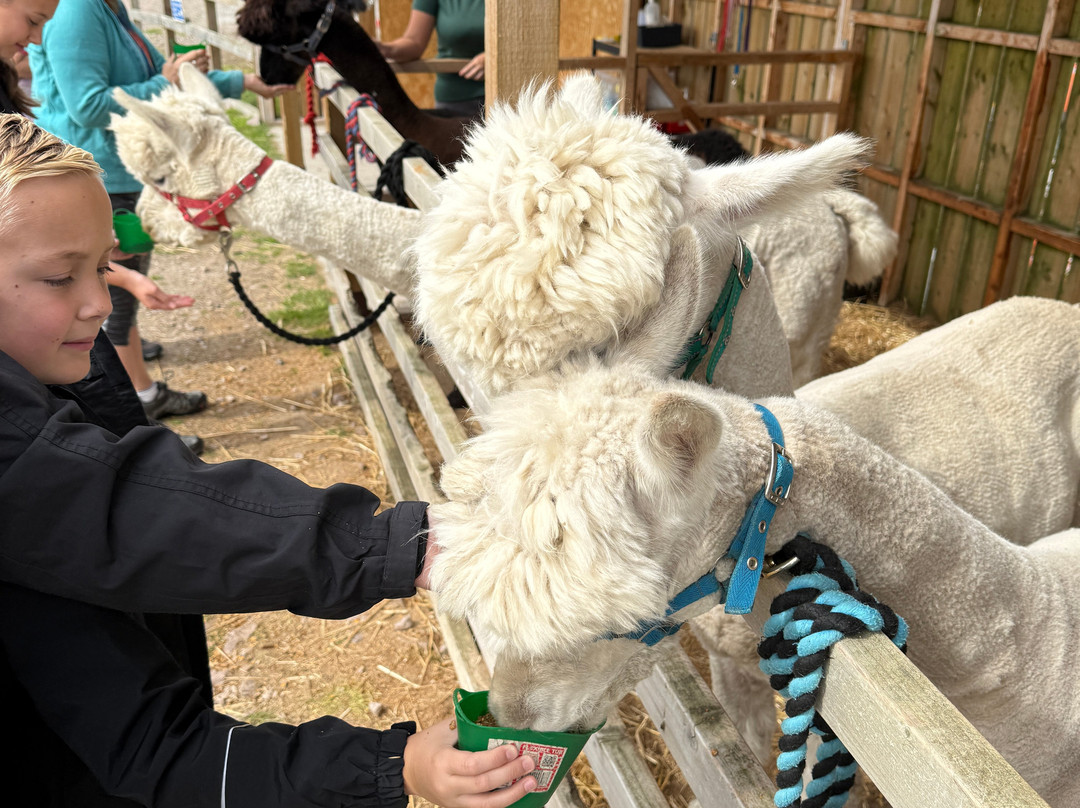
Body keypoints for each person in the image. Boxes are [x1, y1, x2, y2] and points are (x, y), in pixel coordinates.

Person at [0, 112, 538, 807]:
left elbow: (146, 730)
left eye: (103, 266)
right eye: (57, 277)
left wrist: (392, 763)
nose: (99, 304)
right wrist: (401, 545)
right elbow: (119, 509)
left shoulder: (69, 377)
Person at [27, 0, 292, 426]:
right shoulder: (79, 10)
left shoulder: (109, 9)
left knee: (118, 298)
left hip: (123, 172)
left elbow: (147, 80)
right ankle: (141, 402)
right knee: (111, 302)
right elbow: (88, 105)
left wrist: (237, 81)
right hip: (102, 176)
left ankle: (133, 387)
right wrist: (162, 82)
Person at [377, 0, 485, 118]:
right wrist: (385, 49)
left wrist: (495, 57)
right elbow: (414, 42)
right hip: (455, 101)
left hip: (504, 96)